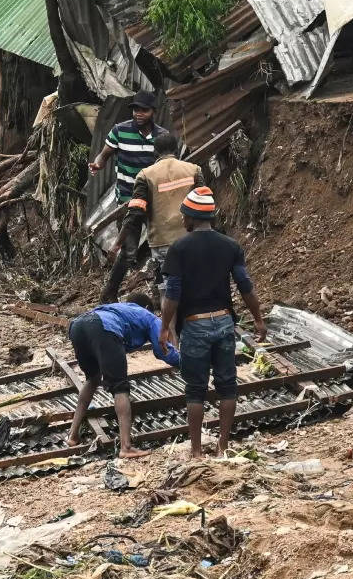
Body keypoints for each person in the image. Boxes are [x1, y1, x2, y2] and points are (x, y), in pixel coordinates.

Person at [160, 187, 266, 458]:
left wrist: (164, 327)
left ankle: (196, 451)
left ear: (191, 217)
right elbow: (245, 286)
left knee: (196, 390)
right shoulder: (230, 246)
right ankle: (223, 447)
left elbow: (173, 294)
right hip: (223, 323)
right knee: (227, 385)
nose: (182, 221)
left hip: (195, 325)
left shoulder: (179, 248)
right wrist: (258, 319)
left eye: (184, 216)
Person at [65, 293, 180, 459]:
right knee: (120, 387)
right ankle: (126, 447)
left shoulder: (119, 308)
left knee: (92, 379)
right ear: (147, 307)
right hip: (104, 328)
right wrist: (184, 362)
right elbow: (163, 351)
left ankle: (72, 436)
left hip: (78, 326)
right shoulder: (148, 315)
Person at [90, 91, 170, 303]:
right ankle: (109, 293)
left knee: (160, 247)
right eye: (136, 109)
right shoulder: (120, 131)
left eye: (143, 110)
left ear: (153, 111)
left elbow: (169, 165)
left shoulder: (162, 137)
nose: (138, 114)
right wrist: (98, 164)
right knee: (128, 251)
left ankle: (161, 294)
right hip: (127, 201)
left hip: (154, 202)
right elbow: (104, 154)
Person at [110, 133, 203, 301]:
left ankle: (170, 326)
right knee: (196, 282)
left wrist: (117, 243)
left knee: (167, 289)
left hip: (162, 241)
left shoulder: (145, 175)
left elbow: (135, 213)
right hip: (193, 238)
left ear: (155, 152)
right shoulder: (194, 170)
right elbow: (204, 203)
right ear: (176, 150)